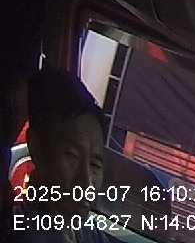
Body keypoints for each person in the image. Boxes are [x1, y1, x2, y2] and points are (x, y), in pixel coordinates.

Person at [7, 68, 118, 242]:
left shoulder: (82, 228)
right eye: (72, 156)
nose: (87, 183)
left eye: (95, 165)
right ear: (37, 148)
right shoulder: (28, 234)